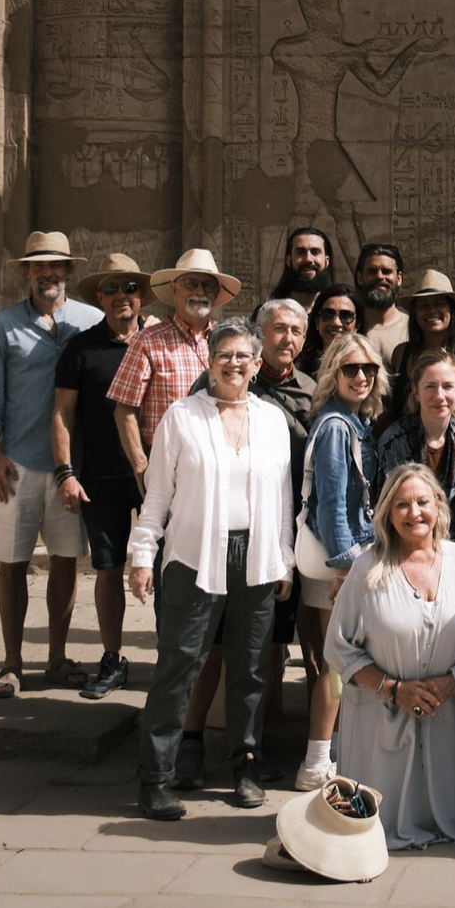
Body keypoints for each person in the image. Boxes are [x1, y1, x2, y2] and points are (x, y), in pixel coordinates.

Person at [129, 317, 296, 821]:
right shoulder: (182, 417)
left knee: (250, 667)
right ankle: (156, 778)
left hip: (258, 558)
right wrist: (142, 554)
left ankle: (246, 765)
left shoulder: (272, 420)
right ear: (209, 360)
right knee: (179, 665)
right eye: (224, 355)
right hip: (194, 556)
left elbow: (284, 498)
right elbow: (158, 493)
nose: (233, 364)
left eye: (243, 356)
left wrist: (284, 560)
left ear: (257, 364)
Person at [324, 464, 455, 854]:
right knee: (374, 827)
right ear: (387, 512)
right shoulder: (367, 569)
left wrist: (453, 683)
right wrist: (392, 688)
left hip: (442, 716)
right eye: (402, 504)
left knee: (445, 820)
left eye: (422, 501)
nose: (414, 512)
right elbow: (338, 646)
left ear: (438, 505)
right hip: (377, 722)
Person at [183, 298, 318, 752]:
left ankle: (260, 743)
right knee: (215, 645)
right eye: (278, 328)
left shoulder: (311, 390)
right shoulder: (222, 379)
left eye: (296, 331)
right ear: (260, 336)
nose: (288, 338)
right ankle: (193, 738)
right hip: (223, 530)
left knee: (269, 642)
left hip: (285, 528)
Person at [0, 232, 102, 698]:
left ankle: (57, 657)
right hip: (17, 464)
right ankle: (12, 663)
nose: (47, 273)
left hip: (71, 467)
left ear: (68, 271)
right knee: (13, 564)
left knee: (66, 562)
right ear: (27, 273)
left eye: (55, 265)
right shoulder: (4, 325)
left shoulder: (90, 321)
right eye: (38, 266)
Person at [52, 253, 153, 699]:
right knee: (108, 569)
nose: (120, 296)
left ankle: (172, 660)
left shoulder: (157, 340)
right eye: (110, 288)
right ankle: (113, 658)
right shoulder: (81, 348)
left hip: (157, 477)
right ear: (99, 297)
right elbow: (62, 413)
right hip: (101, 476)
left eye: (129, 287)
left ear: (142, 294)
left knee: (168, 569)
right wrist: (65, 473)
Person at [296, 332, 387, 790]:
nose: (361, 376)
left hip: (349, 558)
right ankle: (315, 762)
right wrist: (346, 567)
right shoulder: (335, 427)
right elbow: (332, 504)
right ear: (333, 373)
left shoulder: (355, 421)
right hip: (341, 563)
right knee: (337, 664)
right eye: (351, 368)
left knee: (344, 661)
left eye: (369, 369)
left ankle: (331, 752)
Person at [110, 248, 239, 499]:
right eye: (191, 284)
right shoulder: (148, 340)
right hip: (164, 462)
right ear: (174, 289)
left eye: (208, 286)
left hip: (219, 463)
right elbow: (124, 409)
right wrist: (141, 466)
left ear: (216, 294)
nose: (200, 292)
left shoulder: (228, 341)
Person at [377, 350, 455, 550]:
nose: (439, 396)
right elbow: (391, 507)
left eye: (447, 386)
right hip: (406, 546)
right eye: (430, 386)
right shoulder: (394, 440)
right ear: (416, 390)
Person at [389, 269, 455, 424]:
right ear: (415, 312)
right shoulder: (401, 354)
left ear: (451, 309)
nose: (431, 310)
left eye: (439, 303)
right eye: (424, 305)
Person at [354, 243, 409, 365]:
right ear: (360, 278)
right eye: (372, 271)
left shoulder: (413, 329)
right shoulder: (348, 327)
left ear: (399, 278)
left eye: (386, 271)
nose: (379, 276)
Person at [263, 227, 334, 315]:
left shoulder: (340, 313)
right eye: (301, 252)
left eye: (315, 252)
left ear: (326, 261)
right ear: (289, 261)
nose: (308, 259)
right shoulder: (269, 313)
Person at [298, 283, 363, 377]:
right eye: (328, 314)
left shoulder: (367, 367)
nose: (336, 322)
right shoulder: (300, 367)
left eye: (346, 315)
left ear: (357, 325)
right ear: (317, 322)